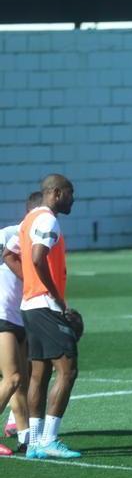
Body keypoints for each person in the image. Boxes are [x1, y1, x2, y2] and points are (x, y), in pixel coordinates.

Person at [11, 175, 83, 459]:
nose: (73, 198)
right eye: (69, 192)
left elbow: (12, 254)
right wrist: (56, 296)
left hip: (30, 305)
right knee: (68, 370)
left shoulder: (29, 219)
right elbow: (38, 257)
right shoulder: (48, 220)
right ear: (55, 193)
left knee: (38, 375)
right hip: (46, 306)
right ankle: (49, 439)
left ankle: (35, 442)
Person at [0, 191, 41, 454]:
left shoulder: (41, 236)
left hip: (20, 315)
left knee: (20, 380)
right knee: (12, 378)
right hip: (2, 313)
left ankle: (26, 436)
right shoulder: (10, 234)